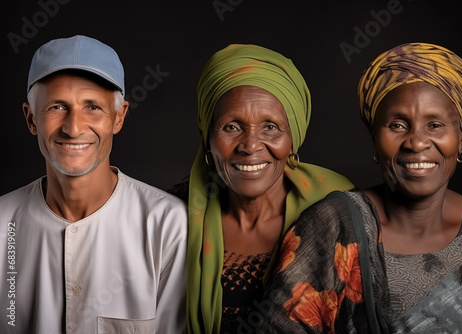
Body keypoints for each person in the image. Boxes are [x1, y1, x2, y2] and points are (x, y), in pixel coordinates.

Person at [256, 42, 462, 333]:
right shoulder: (332, 226)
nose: (416, 142)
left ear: (461, 138)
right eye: (397, 125)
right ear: (374, 138)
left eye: (435, 125)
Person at [0, 35, 187, 333]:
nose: (73, 128)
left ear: (119, 117)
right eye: (57, 107)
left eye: (93, 108)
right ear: (31, 118)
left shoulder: (167, 225)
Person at [166, 43, 354, 333]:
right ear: (208, 138)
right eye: (231, 127)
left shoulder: (336, 211)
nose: (250, 145)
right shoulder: (171, 216)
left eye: (270, 127)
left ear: (293, 138)